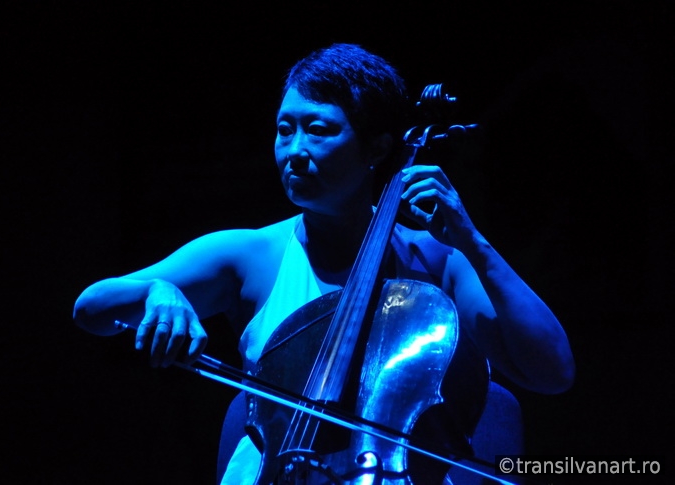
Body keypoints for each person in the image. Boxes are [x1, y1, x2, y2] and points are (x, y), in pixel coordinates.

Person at [73, 43, 575, 484]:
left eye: (318, 130)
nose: (294, 151)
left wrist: (472, 241)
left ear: (378, 148)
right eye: (283, 130)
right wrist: (158, 291)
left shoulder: (436, 261)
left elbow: (551, 371)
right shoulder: (249, 255)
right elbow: (92, 308)